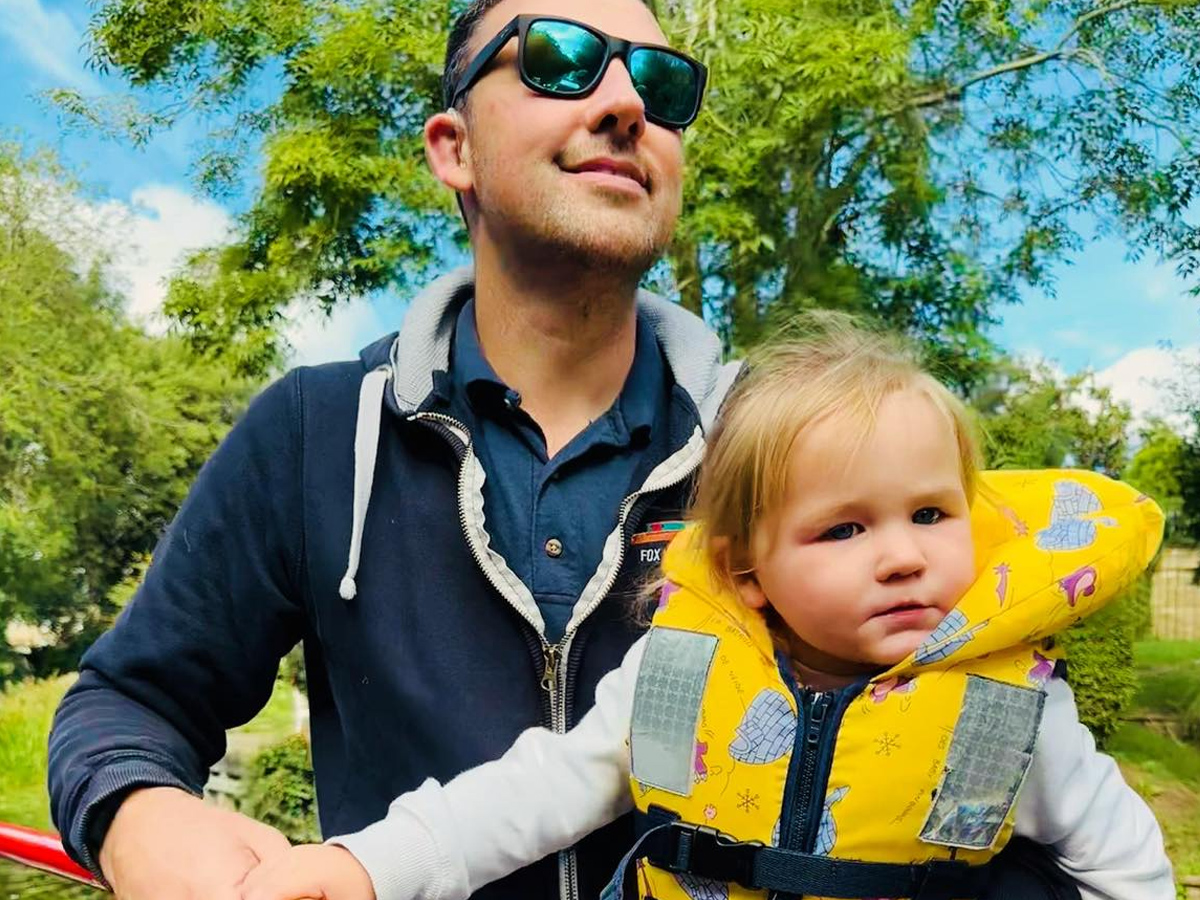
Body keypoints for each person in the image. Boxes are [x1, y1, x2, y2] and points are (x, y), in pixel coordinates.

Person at [48, 2, 738, 900]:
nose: (624, 104)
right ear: (454, 149)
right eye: (560, 61)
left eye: (661, 80)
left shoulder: (787, 447)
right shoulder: (315, 432)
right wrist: (139, 821)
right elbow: (123, 704)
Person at [235, 315, 1174, 900]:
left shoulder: (1015, 707)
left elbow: (1124, 862)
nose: (900, 555)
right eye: (841, 531)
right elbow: (538, 789)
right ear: (750, 570)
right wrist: (375, 866)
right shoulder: (679, 671)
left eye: (931, 514)